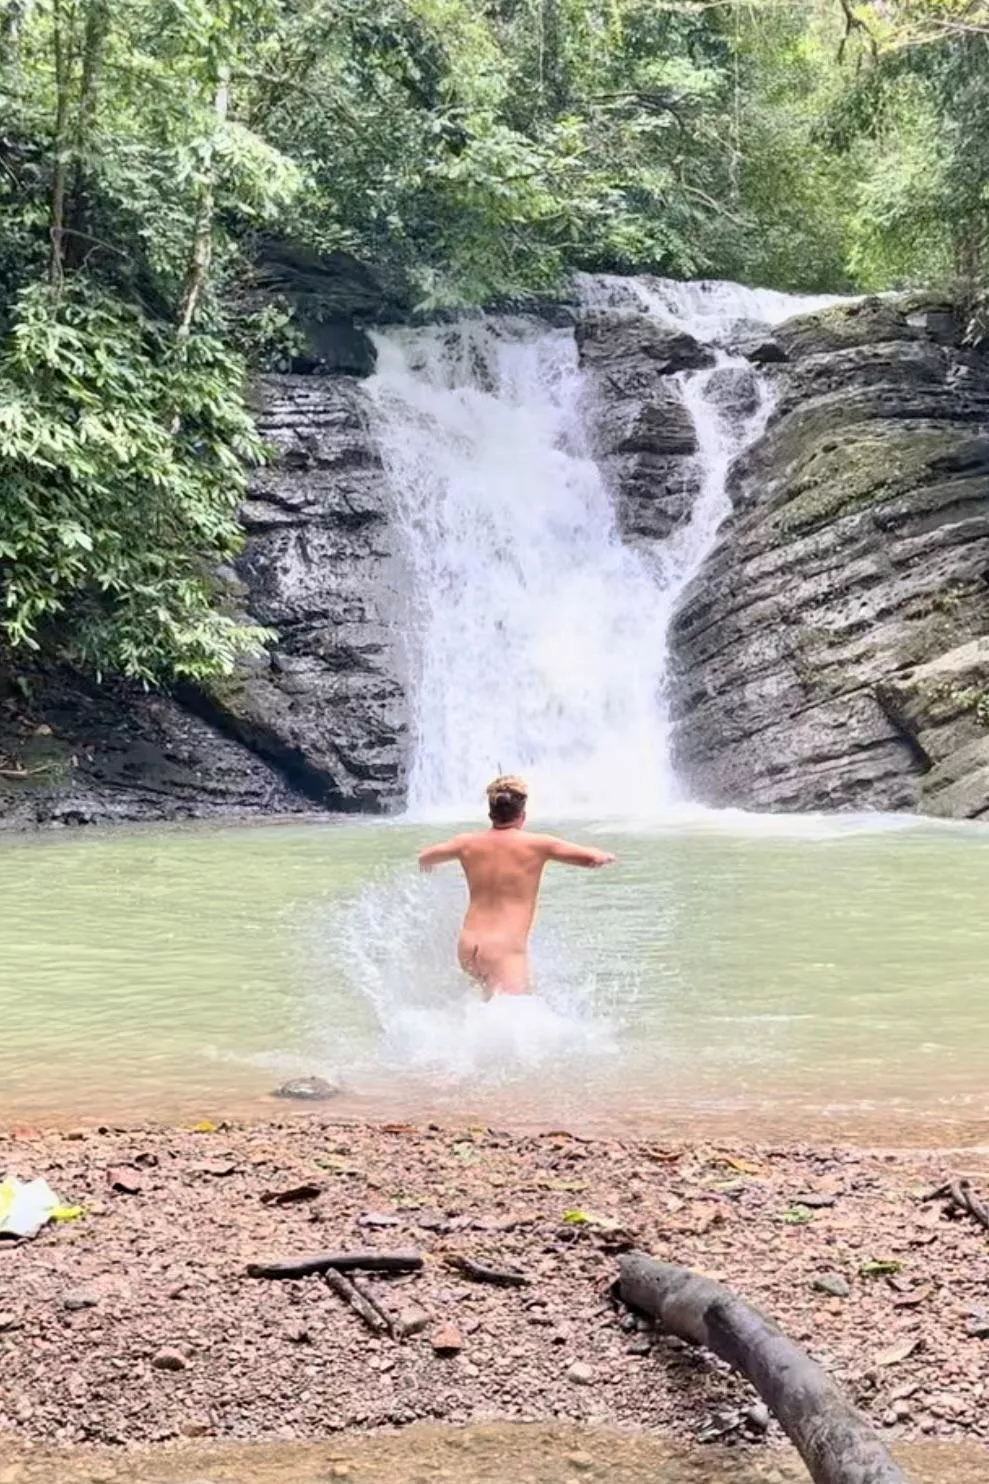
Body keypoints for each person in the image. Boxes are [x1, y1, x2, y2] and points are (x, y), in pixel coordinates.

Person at [417, 774, 616, 998]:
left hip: (468, 946)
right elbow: (592, 859)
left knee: (486, 1005)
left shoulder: (466, 843)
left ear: (491, 814)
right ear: (522, 815)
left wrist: (432, 868)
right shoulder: (537, 844)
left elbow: (425, 857)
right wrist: (608, 856)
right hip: (502, 949)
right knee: (514, 1013)